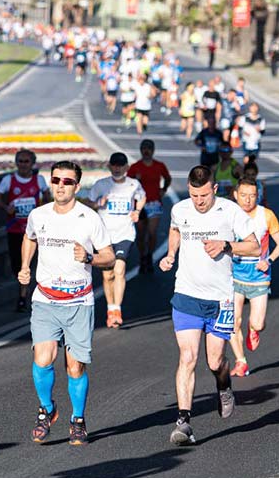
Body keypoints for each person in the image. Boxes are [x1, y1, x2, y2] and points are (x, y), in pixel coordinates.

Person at [159, 166, 259, 445]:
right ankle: (183, 422)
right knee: (187, 357)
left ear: (214, 189)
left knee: (215, 361)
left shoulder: (230, 212)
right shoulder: (180, 209)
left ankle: (224, 385)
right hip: (186, 295)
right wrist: (170, 254)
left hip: (220, 299)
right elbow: (175, 230)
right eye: (194, 195)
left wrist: (226, 245)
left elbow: (254, 247)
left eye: (203, 195)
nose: (199, 201)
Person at [20, 160, 115, 446]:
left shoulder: (89, 218)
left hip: (79, 302)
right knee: (42, 358)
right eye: (56, 180)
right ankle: (47, 410)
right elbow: (29, 238)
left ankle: (77, 419)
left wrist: (89, 257)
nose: (60, 186)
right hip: (46, 299)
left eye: (67, 181)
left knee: (75, 368)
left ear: (77, 186)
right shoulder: (38, 215)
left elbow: (109, 257)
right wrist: (25, 265)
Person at [227, 178, 279, 376]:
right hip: (234, 276)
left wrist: (268, 260)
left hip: (259, 277)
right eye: (243, 195)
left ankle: (254, 329)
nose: (247, 200)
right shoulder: (228, 214)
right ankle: (241, 361)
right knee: (233, 322)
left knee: (258, 323)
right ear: (236, 195)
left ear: (257, 196)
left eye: (252, 196)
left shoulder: (266, 215)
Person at [87, 153, 146, 328]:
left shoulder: (133, 184)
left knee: (119, 270)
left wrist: (137, 211)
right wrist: (98, 203)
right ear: (109, 166)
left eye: (121, 165)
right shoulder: (101, 185)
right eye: (114, 165)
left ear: (126, 167)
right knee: (108, 275)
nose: (117, 168)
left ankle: (117, 310)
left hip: (124, 234)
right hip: (104, 237)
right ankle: (110, 308)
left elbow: (142, 197)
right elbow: (89, 204)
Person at [0, 149, 50, 312]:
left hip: (34, 231)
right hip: (15, 229)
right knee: (17, 265)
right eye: (20, 161)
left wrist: (42, 210)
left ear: (33, 163)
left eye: (26, 161)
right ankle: (24, 290)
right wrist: (6, 207)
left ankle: (23, 297)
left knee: (30, 263)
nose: (23, 165)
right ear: (16, 163)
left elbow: (47, 197)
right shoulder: (8, 180)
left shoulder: (39, 180)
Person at [127, 139, 172, 272]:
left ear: (153, 151)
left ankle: (149, 256)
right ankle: (142, 257)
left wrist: (164, 189)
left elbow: (167, 178)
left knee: (152, 233)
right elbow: (127, 183)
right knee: (141, 234)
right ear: (141, 150)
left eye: (149, 149)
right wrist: (136, 180)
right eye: (144, 149)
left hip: (154, 203)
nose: (146, 151)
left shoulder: (159, 165)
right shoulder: (135, 167)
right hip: (139, 204)